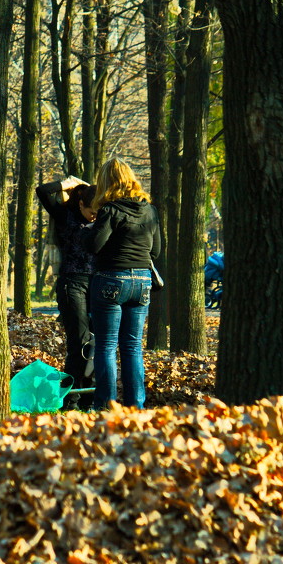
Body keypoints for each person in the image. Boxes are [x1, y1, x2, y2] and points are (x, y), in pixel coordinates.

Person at [86, 158, 162, 409]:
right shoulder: (149, 210)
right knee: (132, 346)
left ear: (106, 183)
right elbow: (157, 250)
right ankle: (135, 407)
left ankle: (106, 406)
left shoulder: (110, 210)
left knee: (107, 346)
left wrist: (91, 227)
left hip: (111, 279)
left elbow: (94, 246)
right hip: (142, 281)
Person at [35, 175, 98, 407]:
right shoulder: (65, 216)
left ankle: (89, 399)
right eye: (92, 211)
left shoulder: (103, 217)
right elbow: (42, 191)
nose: (95, 216)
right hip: (72, 284)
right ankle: (70, 399)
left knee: (97, 343)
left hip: (98, 285)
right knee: (79, 343)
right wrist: (67, 184)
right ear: (81, 204)